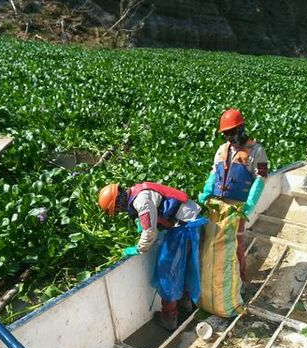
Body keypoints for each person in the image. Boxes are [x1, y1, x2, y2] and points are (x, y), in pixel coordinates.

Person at [98, 181, 203, 331]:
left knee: (167, 272)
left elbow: (149, 232)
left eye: (117, 209)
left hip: (185, 227)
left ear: (119, 201)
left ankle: (169, 318)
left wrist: (139, 249)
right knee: (182, 266)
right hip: (190, 221)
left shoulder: (141, 201)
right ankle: (185, 306)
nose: (120, 211)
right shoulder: (139, 191)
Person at [198, 108, 268, 288]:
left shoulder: (257, 151)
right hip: (218, 204)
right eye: (227, 134)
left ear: (241, 129)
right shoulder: (222, 149)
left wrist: (249, 204)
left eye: (232, 132)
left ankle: (241, 280)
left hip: (238, 207)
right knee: (214, 241)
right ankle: (218, 279)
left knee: (235, 243)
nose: (230, 137)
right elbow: (215, 172)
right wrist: (206, 192)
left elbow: (261, 179)